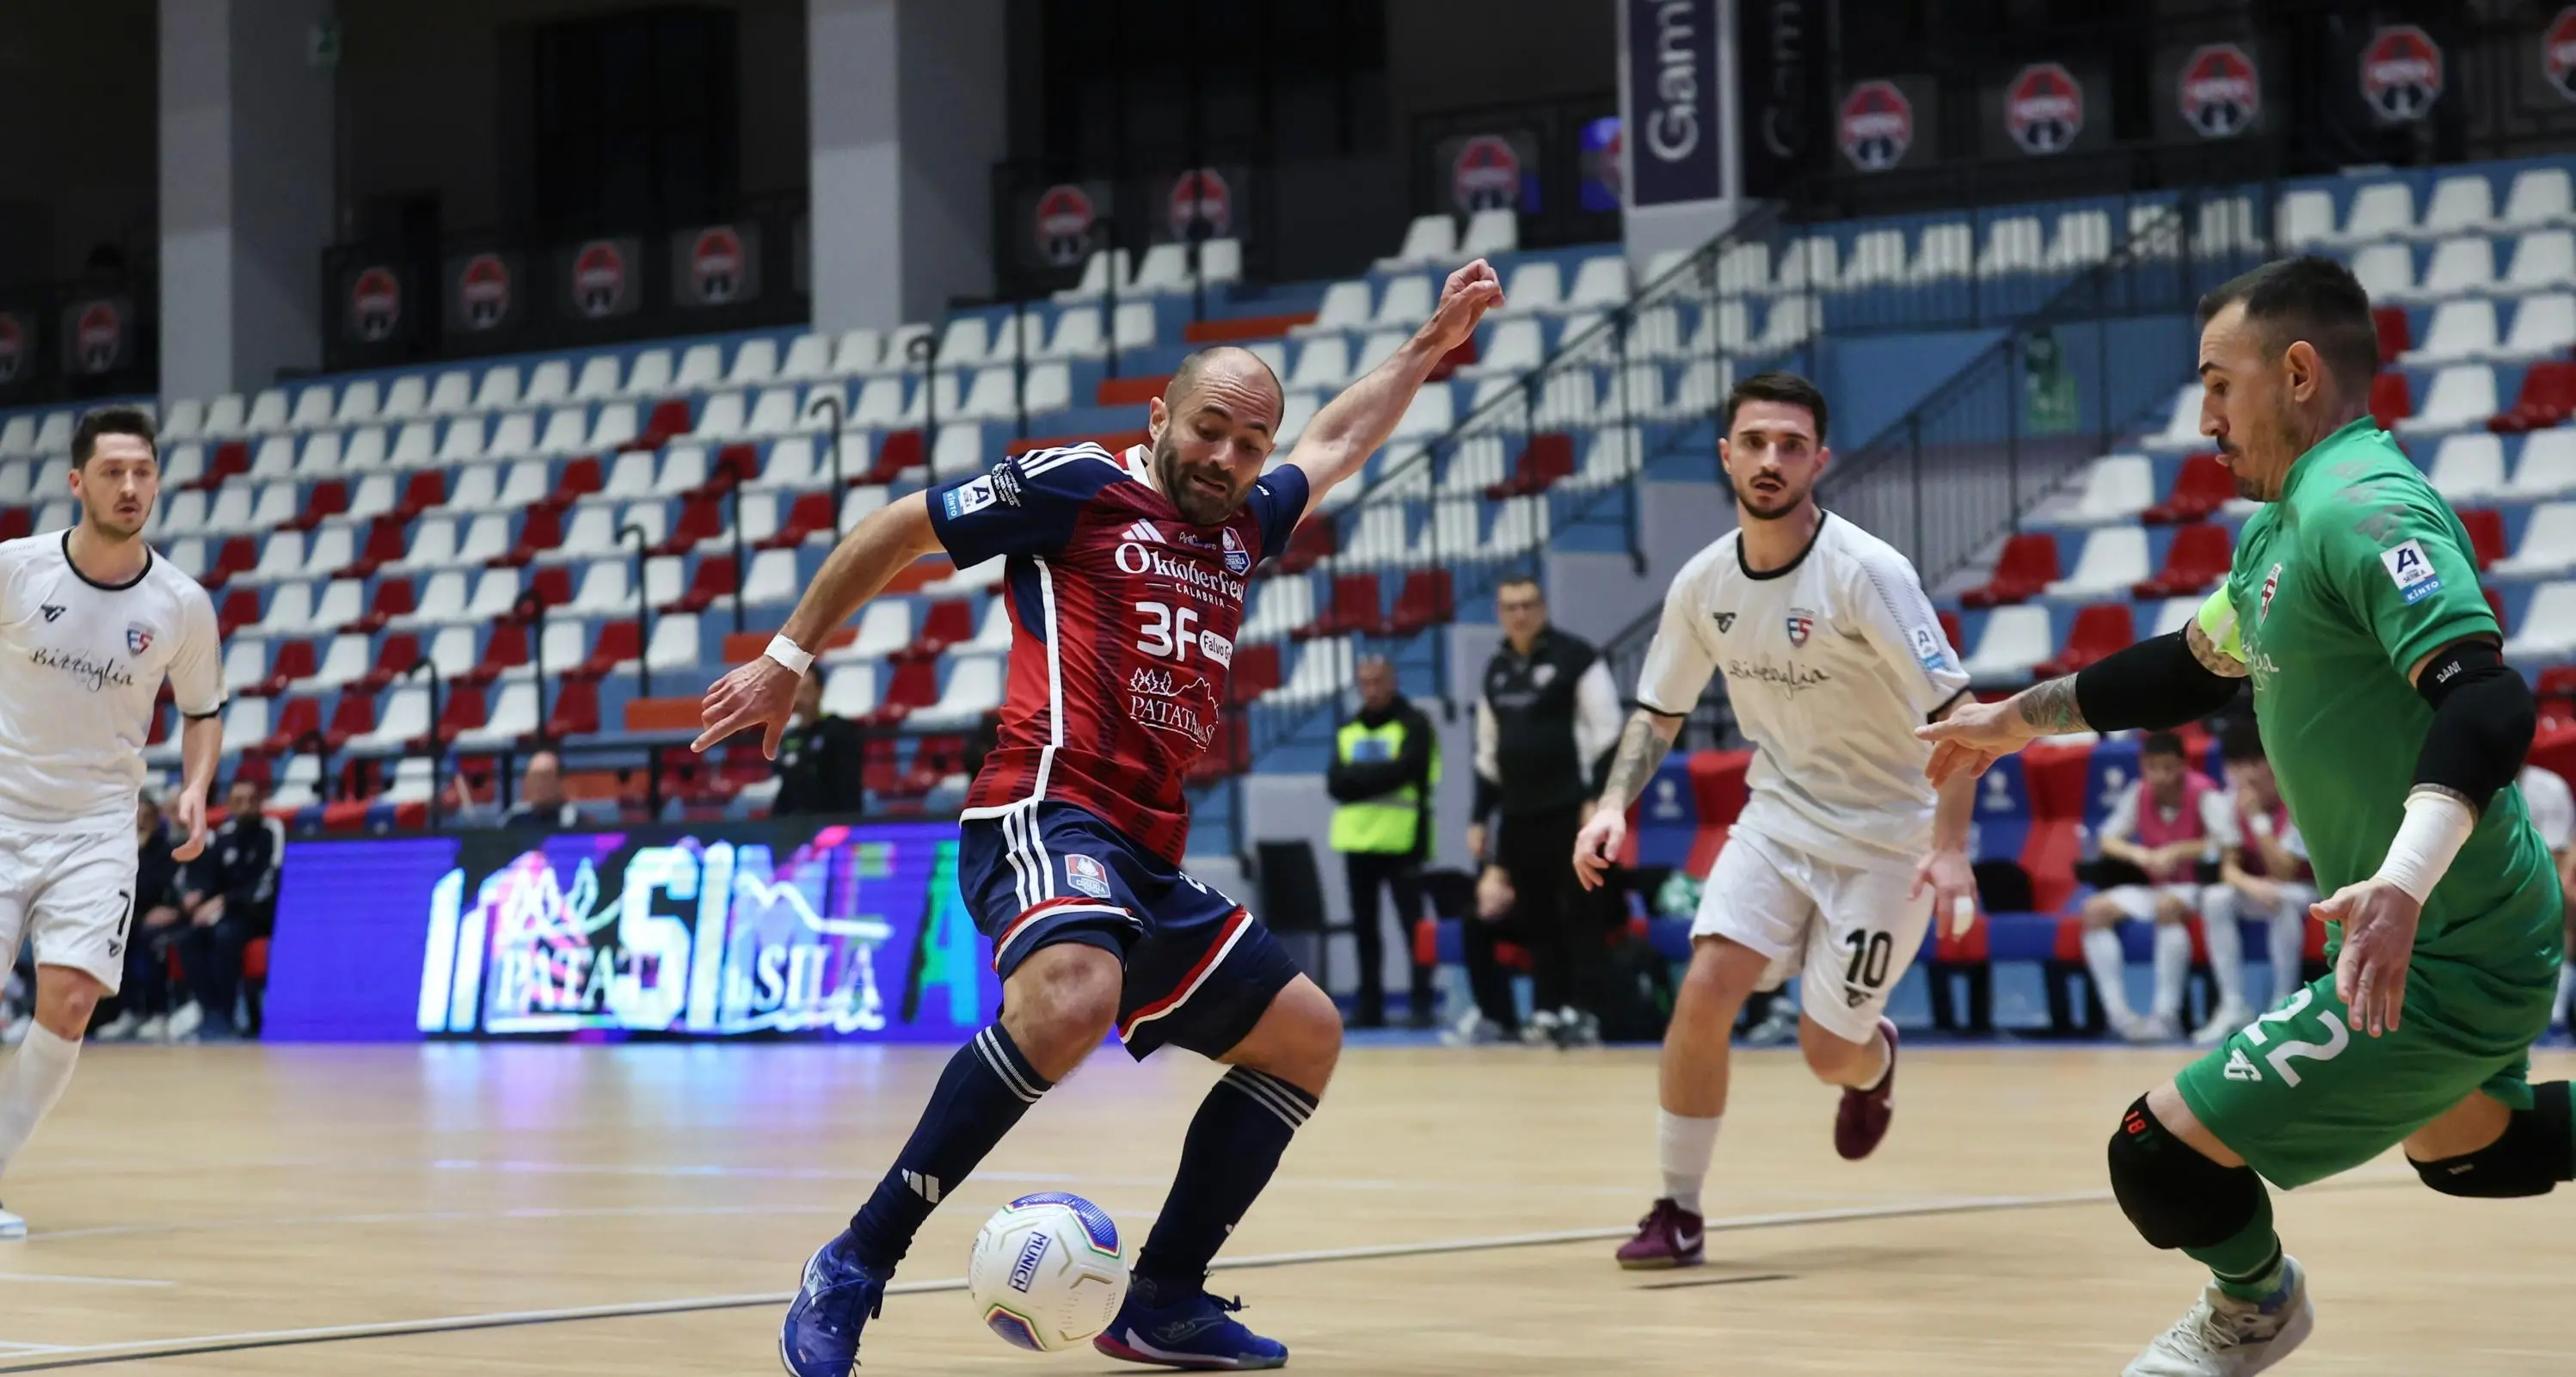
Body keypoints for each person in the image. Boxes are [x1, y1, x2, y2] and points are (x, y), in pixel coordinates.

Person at [695, 261, 1502, 1374]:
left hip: (1145, 852)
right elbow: (901, 527)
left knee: (1304, 1034)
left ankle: (1161, 1299)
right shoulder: (1075, 486)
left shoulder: (1242, 529)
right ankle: (856, 1258)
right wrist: (788, 658)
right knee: (1075, 997)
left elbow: (1336, 443)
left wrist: (1427, 347)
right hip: (1042, 810)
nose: (1227, 458)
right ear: (1158, 416)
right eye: (1209, 430)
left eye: (1247, 445)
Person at [1921, 255, 2567, 1376]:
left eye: (2218, 384)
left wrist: (2402, 880)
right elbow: (2186, 667)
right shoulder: (2278, 531)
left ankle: (2252, 1309)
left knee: (2155, 1152)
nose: (2203, 417)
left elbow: (2488, 696)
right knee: (2470, 1155)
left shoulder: (2361, 505)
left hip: (2446, 938)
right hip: (2433, 931)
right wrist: (2012, 721)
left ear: (2298, 373)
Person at [1569, 370, 1977, 1270]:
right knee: (1703, 989)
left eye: (1790, 444)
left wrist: (1950, 849)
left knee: (1827, 1050)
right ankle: (1676, 1208)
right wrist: (1608, 806)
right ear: (1725, 454)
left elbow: (1962, 715)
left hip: (1888, 837)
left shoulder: (1868, 572)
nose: (1770, 458)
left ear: (1817, 461)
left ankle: (1874, 1063)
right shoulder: (1702, 582)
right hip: (1779, 818)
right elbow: (1657, 711)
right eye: (1753, 441)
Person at [0, 406, 224, 1238]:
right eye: (113, 472)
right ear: (76, 482)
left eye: (143, 472)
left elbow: (204, 711)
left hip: (98, 828)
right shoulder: (16, 572)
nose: (130, 486)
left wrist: (197, 785)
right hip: (1, 809)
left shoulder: (181, 603)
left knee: (68, 1002)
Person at [1469, 575, 1621, 1048]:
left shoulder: (1577, 657)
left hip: (1571, 812)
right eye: (1510, 606)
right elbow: (1488, 753)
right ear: (1499, 612)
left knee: (1580, 911)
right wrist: (1479, 817)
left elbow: (1607, 732)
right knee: (1536, 919)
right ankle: (1547, 1010)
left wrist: (1597, 800)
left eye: (1528, 604)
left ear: (1544, 607)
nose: (1520, 614)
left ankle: (1587, 1011)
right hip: (1519, 814)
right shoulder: (1495, 670)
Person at [2080, 731, 2235, 1043]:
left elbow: (2226, 843)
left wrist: (2179, 850)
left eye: (2168, 768)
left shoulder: (2205, 793)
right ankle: (2120, 1017)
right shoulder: (2139, 793)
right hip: (2160, 887)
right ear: (2143, 767)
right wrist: (2141, 854)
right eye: (2153, 768)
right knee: (2095, 911)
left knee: (2168, 907)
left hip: (2199, 887)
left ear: (2183, 765)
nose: (2161, 776)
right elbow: (2107, 839)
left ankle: (2167, 1016)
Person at [1325, 655, 1438, 1028]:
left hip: (1403, 840)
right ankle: (1370, 1007)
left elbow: (1410, 770)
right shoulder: (1349, 729)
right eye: (1364, 682)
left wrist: (1359, 777)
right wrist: (1380, 774)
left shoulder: (1415, 724)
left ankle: (1421, 1003)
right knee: (1365, 931)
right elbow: (1335, 784)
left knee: (1413, 927)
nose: (1370, 690)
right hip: (1357, 843)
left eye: (1378, 681)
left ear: (1393, 681)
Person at [2197, 722, 2318, 1042]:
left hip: (2309, 892)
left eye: (2255, 763)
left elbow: (2285, 871)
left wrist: (2257, 820)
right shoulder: (2226, 802)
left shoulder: (2298, 800)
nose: (2247, 775)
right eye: (2237, 765)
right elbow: (2229, 867)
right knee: (2215, 898)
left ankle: (2283, 1004)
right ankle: (2233, 1005)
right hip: (2260, 889)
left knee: (2282, 897)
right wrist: (2251, 886)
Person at [171, 775, 283, 1041]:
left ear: (260, 802)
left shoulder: (271, 831)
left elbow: (267, 881)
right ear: (229, 805)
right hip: (225, 914)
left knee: (225, 936)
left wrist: (225, 901)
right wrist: (199, 900)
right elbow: (212, 878)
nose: (245, 807)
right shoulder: (224, 836)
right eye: (238, 801)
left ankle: (227, 1012)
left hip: (256, 913)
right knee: (188, 938)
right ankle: (210, 1011)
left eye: (250, 801)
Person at [92, 794, 188, 1042]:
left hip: (160, 915)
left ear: (157, 819)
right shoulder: (119, 850)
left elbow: (160, 888)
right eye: (138, 817)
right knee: (113, 938)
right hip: (130, 916)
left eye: (148, 817)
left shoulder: (168, 850)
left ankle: (159, 1012)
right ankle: (129, 1010)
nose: (142, 823)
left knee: (148, 937)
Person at [2518, 761, 2576, 1029]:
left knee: (2566, 899)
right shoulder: (2470, 781)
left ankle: (2555, 1020)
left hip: (2543, 888)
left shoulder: (2549, 788)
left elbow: (2558, 860)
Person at [772, 670, 866, 815]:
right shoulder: (790, 738)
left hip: (831, 819)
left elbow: (848, 784)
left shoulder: (838, 729)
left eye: (805, 690)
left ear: (819, 691)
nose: (799, 696)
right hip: (795, 824)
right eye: (795, 690)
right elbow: (786, 784)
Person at [499, 749, 582, 830]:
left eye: (544, 777)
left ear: (560, 782)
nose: (538, 783)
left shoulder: (575, 822)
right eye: (534, 777)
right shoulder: (513, 818)